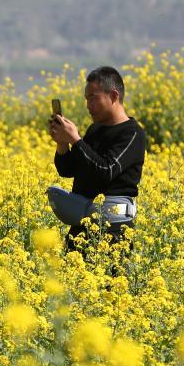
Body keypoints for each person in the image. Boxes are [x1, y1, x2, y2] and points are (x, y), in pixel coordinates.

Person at [47, 66, 147, 252]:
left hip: (114, 230)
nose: (88, 105)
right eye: (86, 99)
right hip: (81, 225)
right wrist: (62, 144)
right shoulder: (95, 130)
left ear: (114, 96)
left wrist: (76, 140)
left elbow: (105, 170)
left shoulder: (132, 133)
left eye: (93, 97)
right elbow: (68, 170)